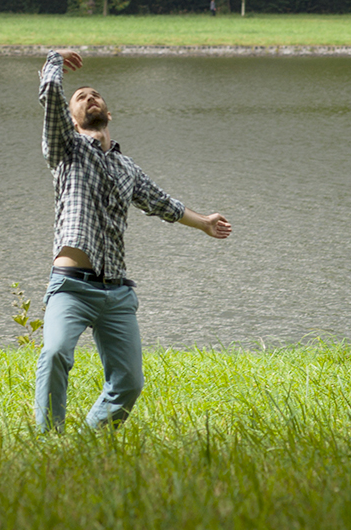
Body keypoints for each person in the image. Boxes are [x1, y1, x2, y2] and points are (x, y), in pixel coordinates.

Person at [35, 48, 232, 433]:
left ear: (108, 112)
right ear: (72, 120)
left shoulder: (126, 167)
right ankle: (48, 441)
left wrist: (204, 222)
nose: (89, 98)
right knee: (55, 352)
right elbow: (50, 102)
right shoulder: (67, 150)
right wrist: (54, 59)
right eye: (80, 97)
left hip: (117, 293)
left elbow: (162, 203)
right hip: (71, 287)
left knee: (128, 384)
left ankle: (86, 443)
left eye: (95, 95)